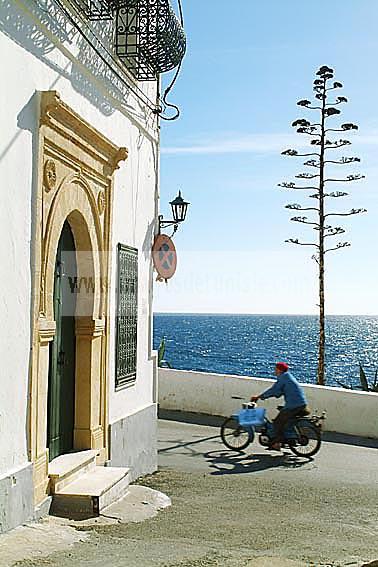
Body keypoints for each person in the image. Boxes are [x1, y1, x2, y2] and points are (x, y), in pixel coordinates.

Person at [250, 362, 308, 451]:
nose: (275, 371)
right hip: (300, 403)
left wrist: (259, 396)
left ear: (279, 370)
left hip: (294, 405)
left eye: (276, 369)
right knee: (283, 421)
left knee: (277, 423)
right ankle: (283, 439)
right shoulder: (288, 376)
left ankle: (276, 443)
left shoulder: (283, 378)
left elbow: (274, 390)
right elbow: (279, 392)